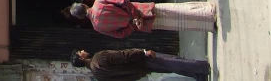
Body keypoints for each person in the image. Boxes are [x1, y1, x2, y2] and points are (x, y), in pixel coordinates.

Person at [70, 0, 217, 38]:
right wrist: (136, 16)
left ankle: (207, 25)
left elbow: (119, 34)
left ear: (81, 17)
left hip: (143, 25)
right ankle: (208, 12)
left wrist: (133, 25)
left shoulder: (97, 27)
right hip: (143, 10)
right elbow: (123, 1)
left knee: (176, 24)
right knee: (176, 10)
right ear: (83, 6)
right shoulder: (99, 2)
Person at [70, 48, 211, 81]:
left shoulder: (97, 73)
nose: (83, 51)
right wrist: (143, 52)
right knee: (172, 62)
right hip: (139, 61)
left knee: (169, 67)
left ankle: (198, 74)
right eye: (79, 52)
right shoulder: (99, 57)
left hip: (138, 72)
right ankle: (202, 67)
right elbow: (123, 55)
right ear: (81, 59)